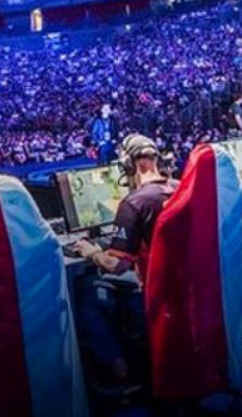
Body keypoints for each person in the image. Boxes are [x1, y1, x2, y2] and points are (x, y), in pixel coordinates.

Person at [72, 134, 176, 388]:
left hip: (154, 290)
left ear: (129, 165)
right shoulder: (180, 188)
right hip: (186, 288)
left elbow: (116, 266)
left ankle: (120, 370)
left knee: (84, 294)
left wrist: (91, 252)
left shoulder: (135, 202)